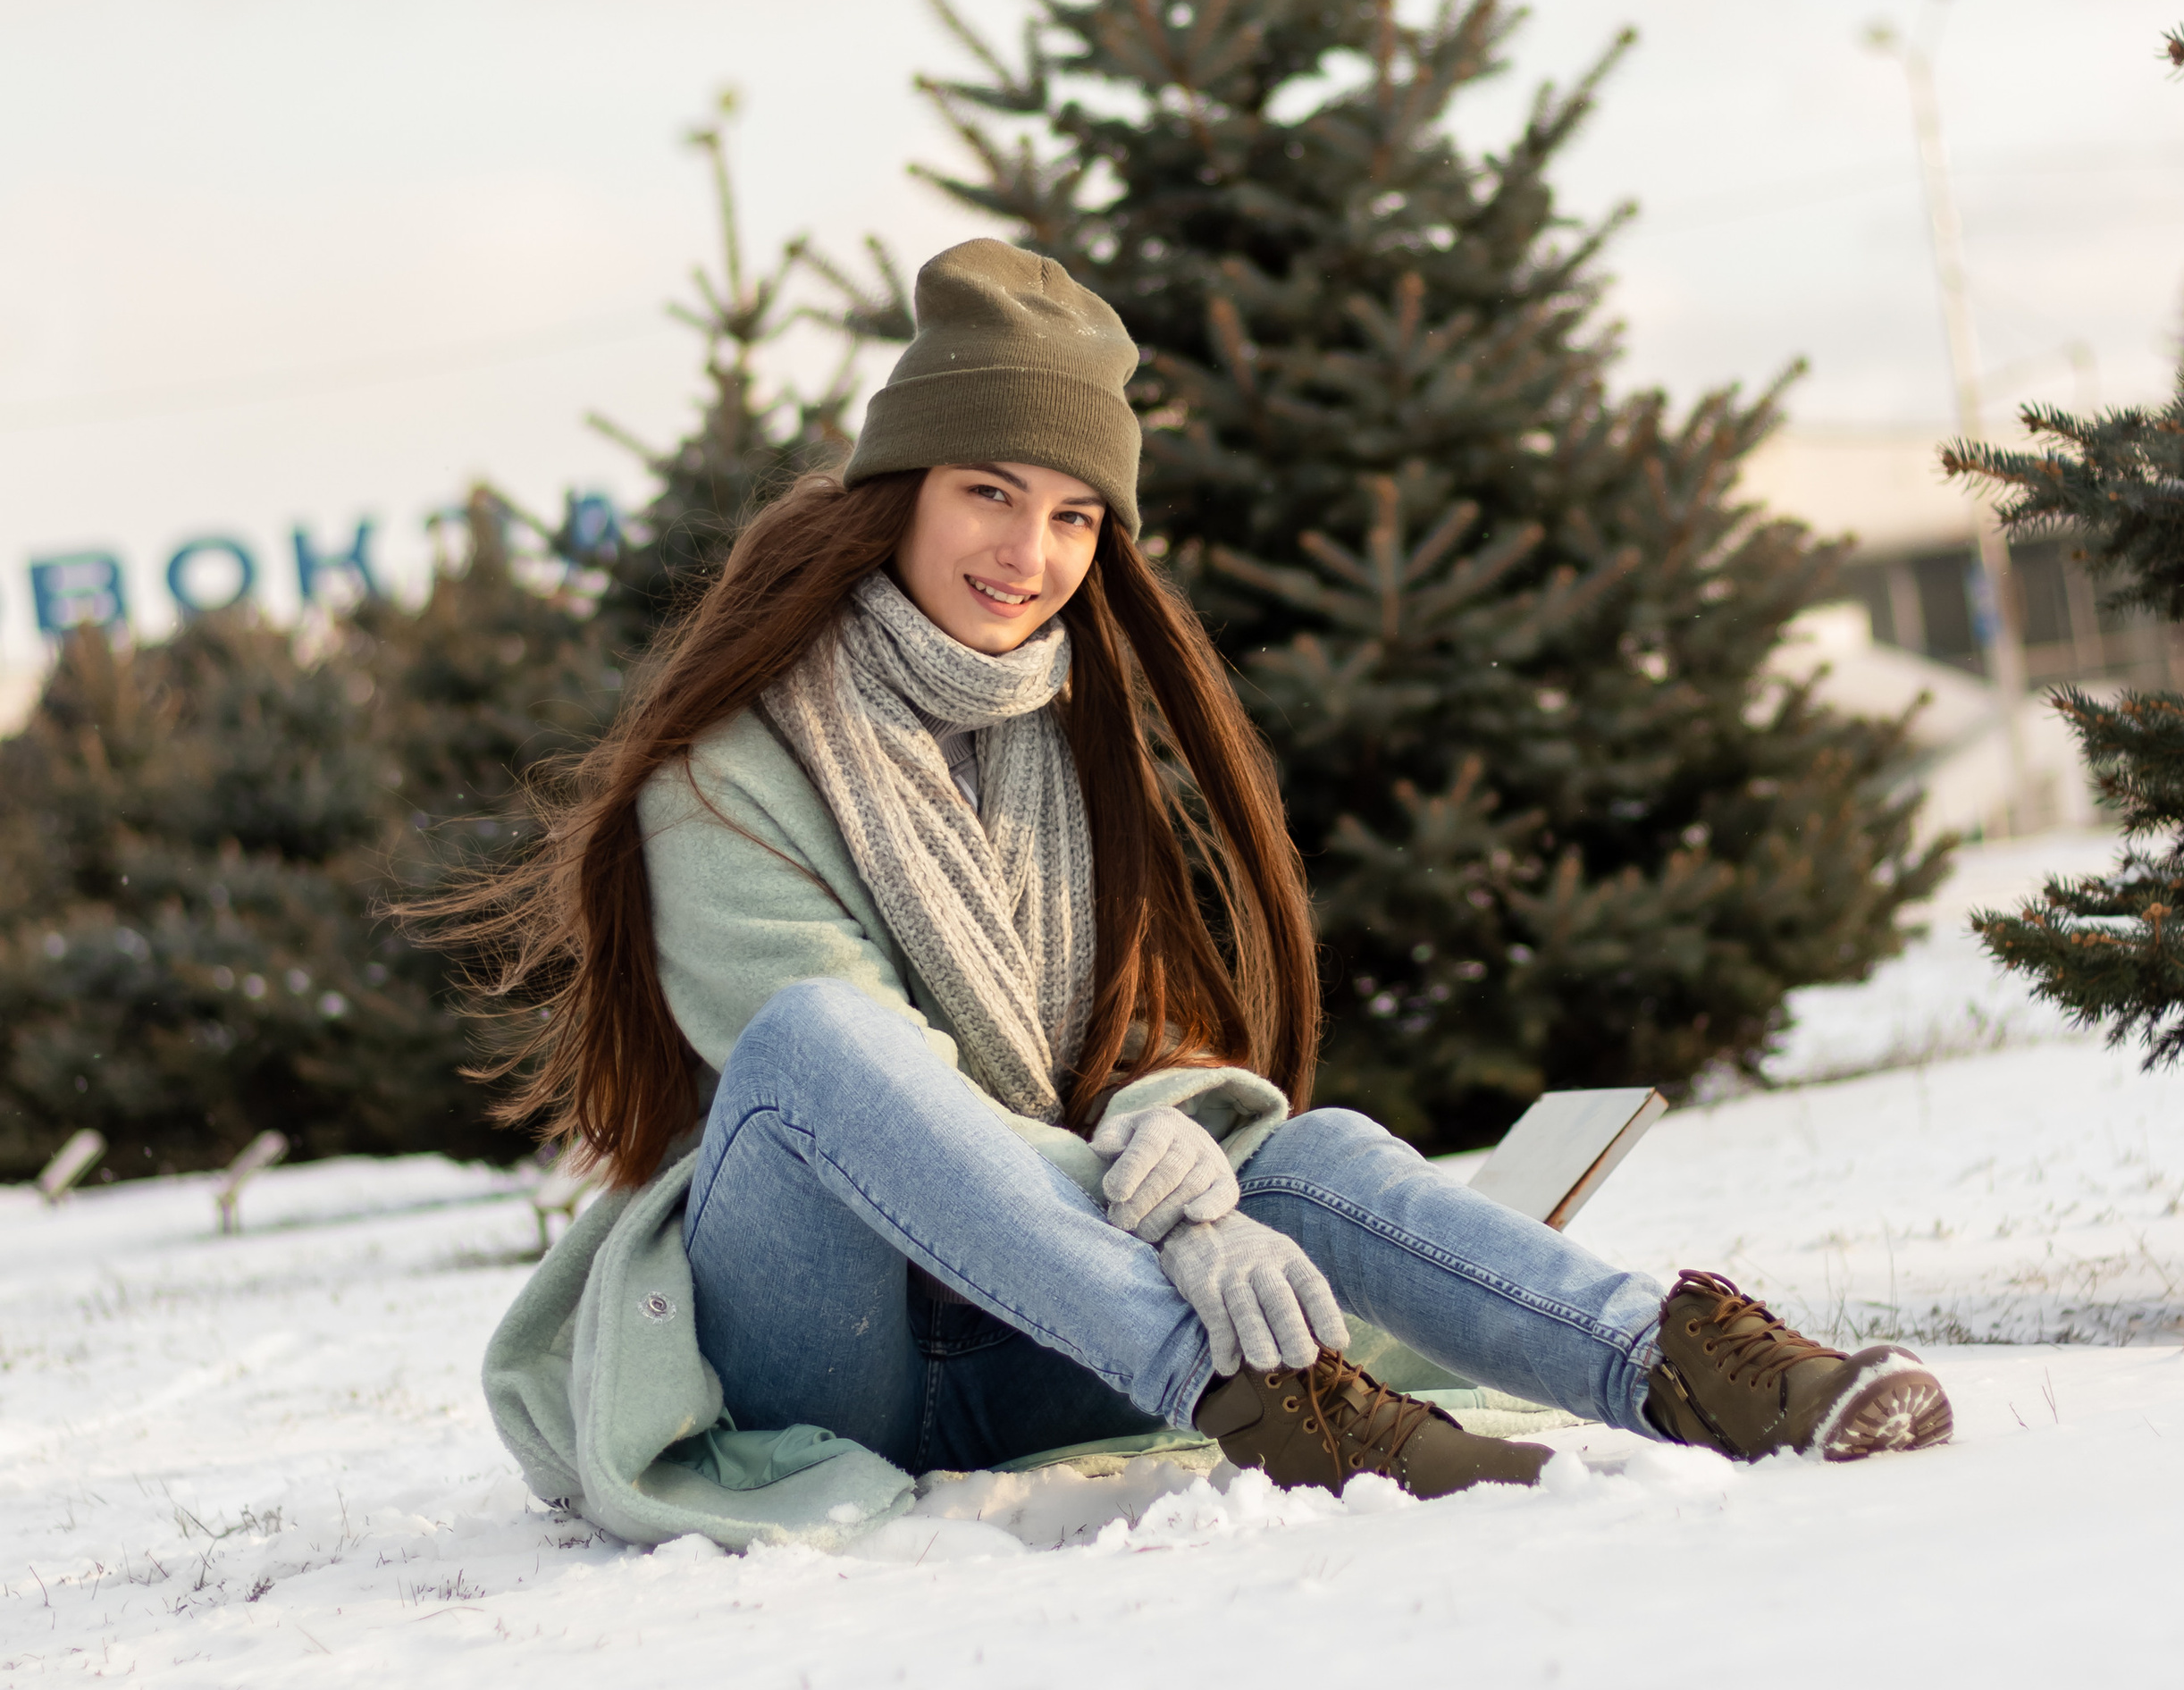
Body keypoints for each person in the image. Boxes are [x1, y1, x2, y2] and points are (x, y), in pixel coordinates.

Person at [465, 240, 1949, 1548]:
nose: (1027, 553)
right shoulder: (726, 775)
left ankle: (1674, 1363)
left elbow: (1127, 1052)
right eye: (989, 492)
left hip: (1039, 1339)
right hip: (823, 1343)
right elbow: (863, 1097)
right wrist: (1172, 1233)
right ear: (897, 496)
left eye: (1072, 517)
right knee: (816, 1043)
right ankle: (1274, 1404)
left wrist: (1184, 1157)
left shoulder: (1063, 751)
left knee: (1302, 1151)